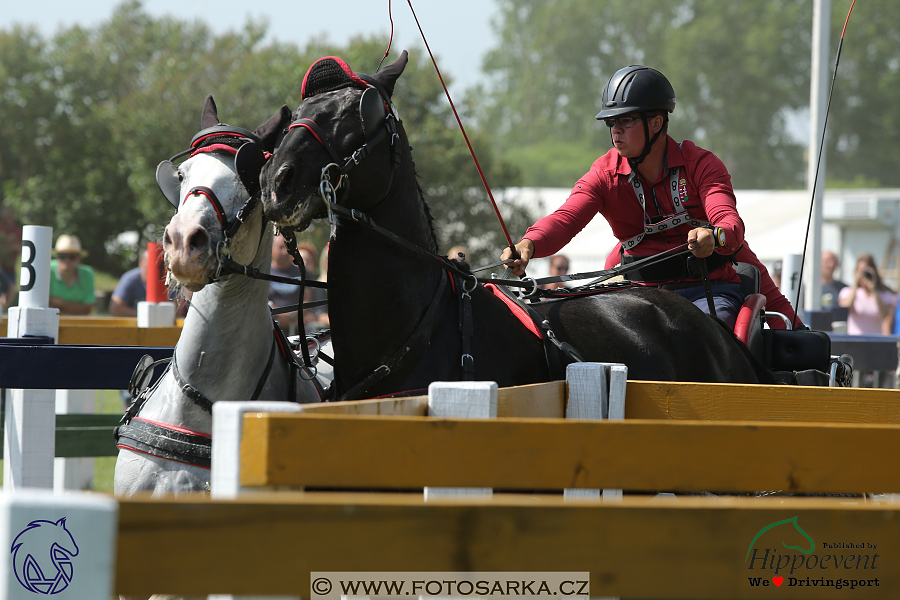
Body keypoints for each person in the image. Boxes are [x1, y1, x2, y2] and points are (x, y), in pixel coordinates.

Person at [501, 65, 801, 329]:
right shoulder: (603, 173)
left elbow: (729, 222)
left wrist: (714, 235)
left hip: (708, 291)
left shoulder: (701, 164)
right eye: (611, 123)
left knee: (717, 334)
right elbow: (566, 219)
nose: (615, 131)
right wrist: (529, 244)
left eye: (626, 121)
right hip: (637, 292)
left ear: (656, 123)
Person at [837, 253, 896, 335]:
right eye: (860, 270)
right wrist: (856, 283)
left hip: (876, 341)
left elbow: (885, 315)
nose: (863, 275)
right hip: (854, 340)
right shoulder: (847, 292)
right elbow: (846, 307)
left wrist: (874, 289)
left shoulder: (885, 295)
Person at [49, 234, 94, 315]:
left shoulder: (88, 274)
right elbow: (45, 306)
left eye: (72, 257)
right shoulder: (47, 270)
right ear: (57, 257)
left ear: (79, 258)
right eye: (62, 256)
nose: (67, 260)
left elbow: (87, 309)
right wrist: (75, 308)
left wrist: (60, 303)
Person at [820, 250, 849, 321]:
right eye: (827, 261)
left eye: (834, 262)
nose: (831, 265)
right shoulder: (809, 289)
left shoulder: (845, 289)